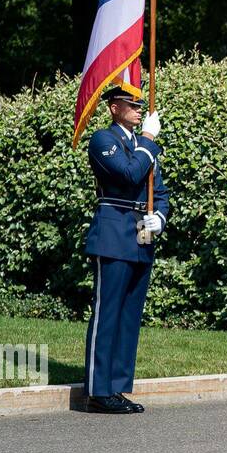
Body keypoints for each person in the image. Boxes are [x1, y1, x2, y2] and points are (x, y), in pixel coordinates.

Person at [83, 87, 170, 414]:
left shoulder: (143, 148)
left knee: (130, 316)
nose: (138, 110)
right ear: (114, 108)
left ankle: (117, 388)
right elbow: (129, 173)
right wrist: (148, 139)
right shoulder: (104, 141)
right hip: (114, 232)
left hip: (141, 235)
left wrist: (159, 217)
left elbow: (158, 191)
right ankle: (97, 390)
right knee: (108, 313)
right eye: (132, 105)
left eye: (139, 105)